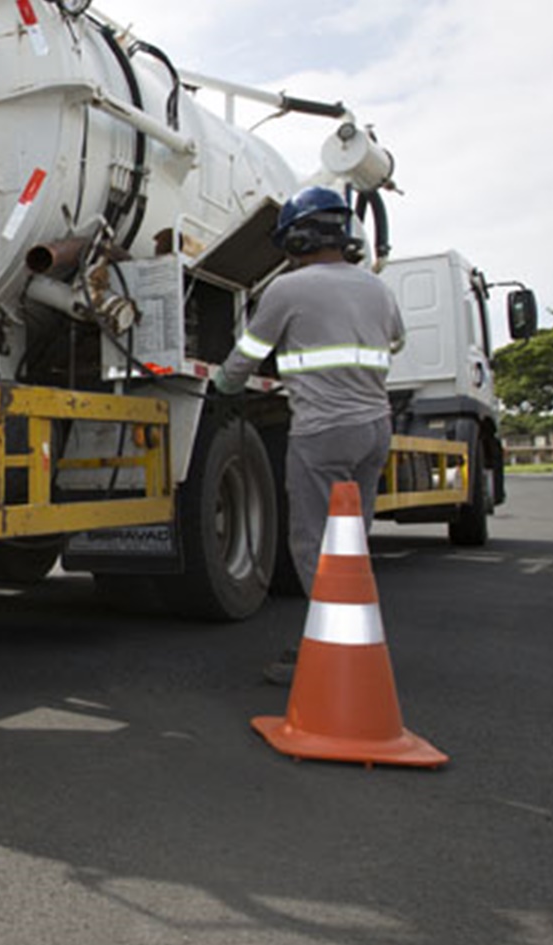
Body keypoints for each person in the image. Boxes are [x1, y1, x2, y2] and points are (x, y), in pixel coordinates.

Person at [210, 185, 404, 685]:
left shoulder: (289, 290)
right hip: (374, 426)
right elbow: (397, 339)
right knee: (352, 539)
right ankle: (355, 638)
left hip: (322, 431)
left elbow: (247, 354)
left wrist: (222, 386)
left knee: (313, 542)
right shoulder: (377, 288)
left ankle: (326, 648)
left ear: (296, 239)